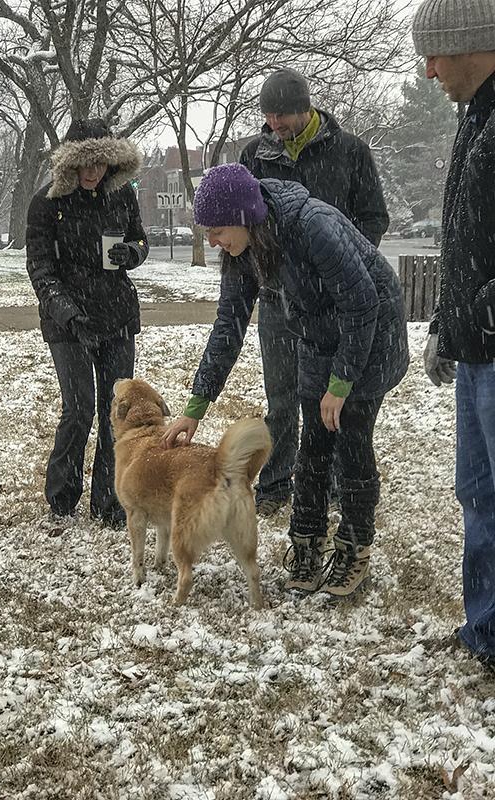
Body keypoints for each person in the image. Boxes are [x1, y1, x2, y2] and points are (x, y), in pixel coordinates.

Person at [162, 163, 408, 597]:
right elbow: (228, 326)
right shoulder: (242, 252)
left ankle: (354, 549)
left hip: (371, 336)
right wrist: (195, 408)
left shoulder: (312, 226)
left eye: (216, 229)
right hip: (317, 336)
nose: (211, 239)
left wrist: (341, 383)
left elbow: (362, 304)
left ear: (243, 216)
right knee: (313, 443)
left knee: (351, 441)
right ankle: (307, 544)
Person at [240, 68, 390, 516]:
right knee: (281, 395)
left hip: (332, 302)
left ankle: (342, 482)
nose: (275, 123)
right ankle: (276, 479)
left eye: (283, 113)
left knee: (334, 395)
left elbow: (373, 217)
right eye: (268, 114)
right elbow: (245, 222)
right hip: (276, 299)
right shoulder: (255, 154)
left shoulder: (349, 151)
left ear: (306, 108)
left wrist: (339, 266)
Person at [412, 0, 495, 666]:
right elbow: (466, 236)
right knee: (479, 497)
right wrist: (448, 318)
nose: (431, 71)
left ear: (475, 45)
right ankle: (486, 632)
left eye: (436, 55)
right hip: (476, 354)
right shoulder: (476, 120)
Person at [26, 118, 148, 527]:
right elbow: (40, 270)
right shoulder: (45, 204)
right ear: (69, 165)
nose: (93, 172)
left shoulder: (122, 197)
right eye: (85, 164)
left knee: (119, 412)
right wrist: (69, 315)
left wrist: (131, 254)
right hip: (67, 322)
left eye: (100, 163)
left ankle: (110, 504)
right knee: (78, 409)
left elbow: (141, 240)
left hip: (116, 315)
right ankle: (62, 499)